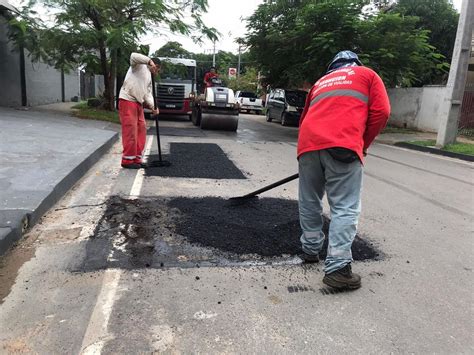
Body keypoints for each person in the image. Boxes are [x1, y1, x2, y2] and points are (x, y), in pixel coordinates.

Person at [297, 50, 390, 290]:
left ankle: (310, 250)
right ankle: (338, 268)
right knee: (344, 207)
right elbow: (382, 112)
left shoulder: (320, 82)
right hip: (343, 145)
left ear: (332, 67)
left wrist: (313, 150)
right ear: (355, 63)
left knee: (309, 200)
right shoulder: (367, 74)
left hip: (308, 145)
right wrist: (362, 144)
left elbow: (304, 118)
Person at [118, 53, 160, 169]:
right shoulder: (138, 66)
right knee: (130, 130)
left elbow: (147, 94)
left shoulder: (149, 79)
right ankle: (127, 160)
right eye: (157, 69)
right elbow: (133, 55)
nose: (156, 72)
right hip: (127, 99)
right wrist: (148, 61)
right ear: (153, 65)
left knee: (141, 129)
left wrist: (153, 107)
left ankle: (136, 158)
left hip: (138, 103)